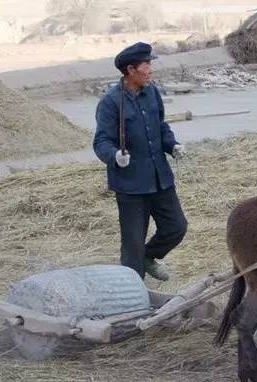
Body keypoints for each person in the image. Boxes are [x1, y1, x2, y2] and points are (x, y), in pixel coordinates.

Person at [93, 42, 187, 281]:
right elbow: (101, 141)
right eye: (146, 65)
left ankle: (149, 256)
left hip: (160, 178)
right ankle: (134, 292)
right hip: (131, 186)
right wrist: (115, 156)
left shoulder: (151, 92)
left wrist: (172, 145)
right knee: (133, 244)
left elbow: (161, 125)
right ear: (131, 70)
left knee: (177, 227)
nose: (150, 70)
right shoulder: (111, 102)